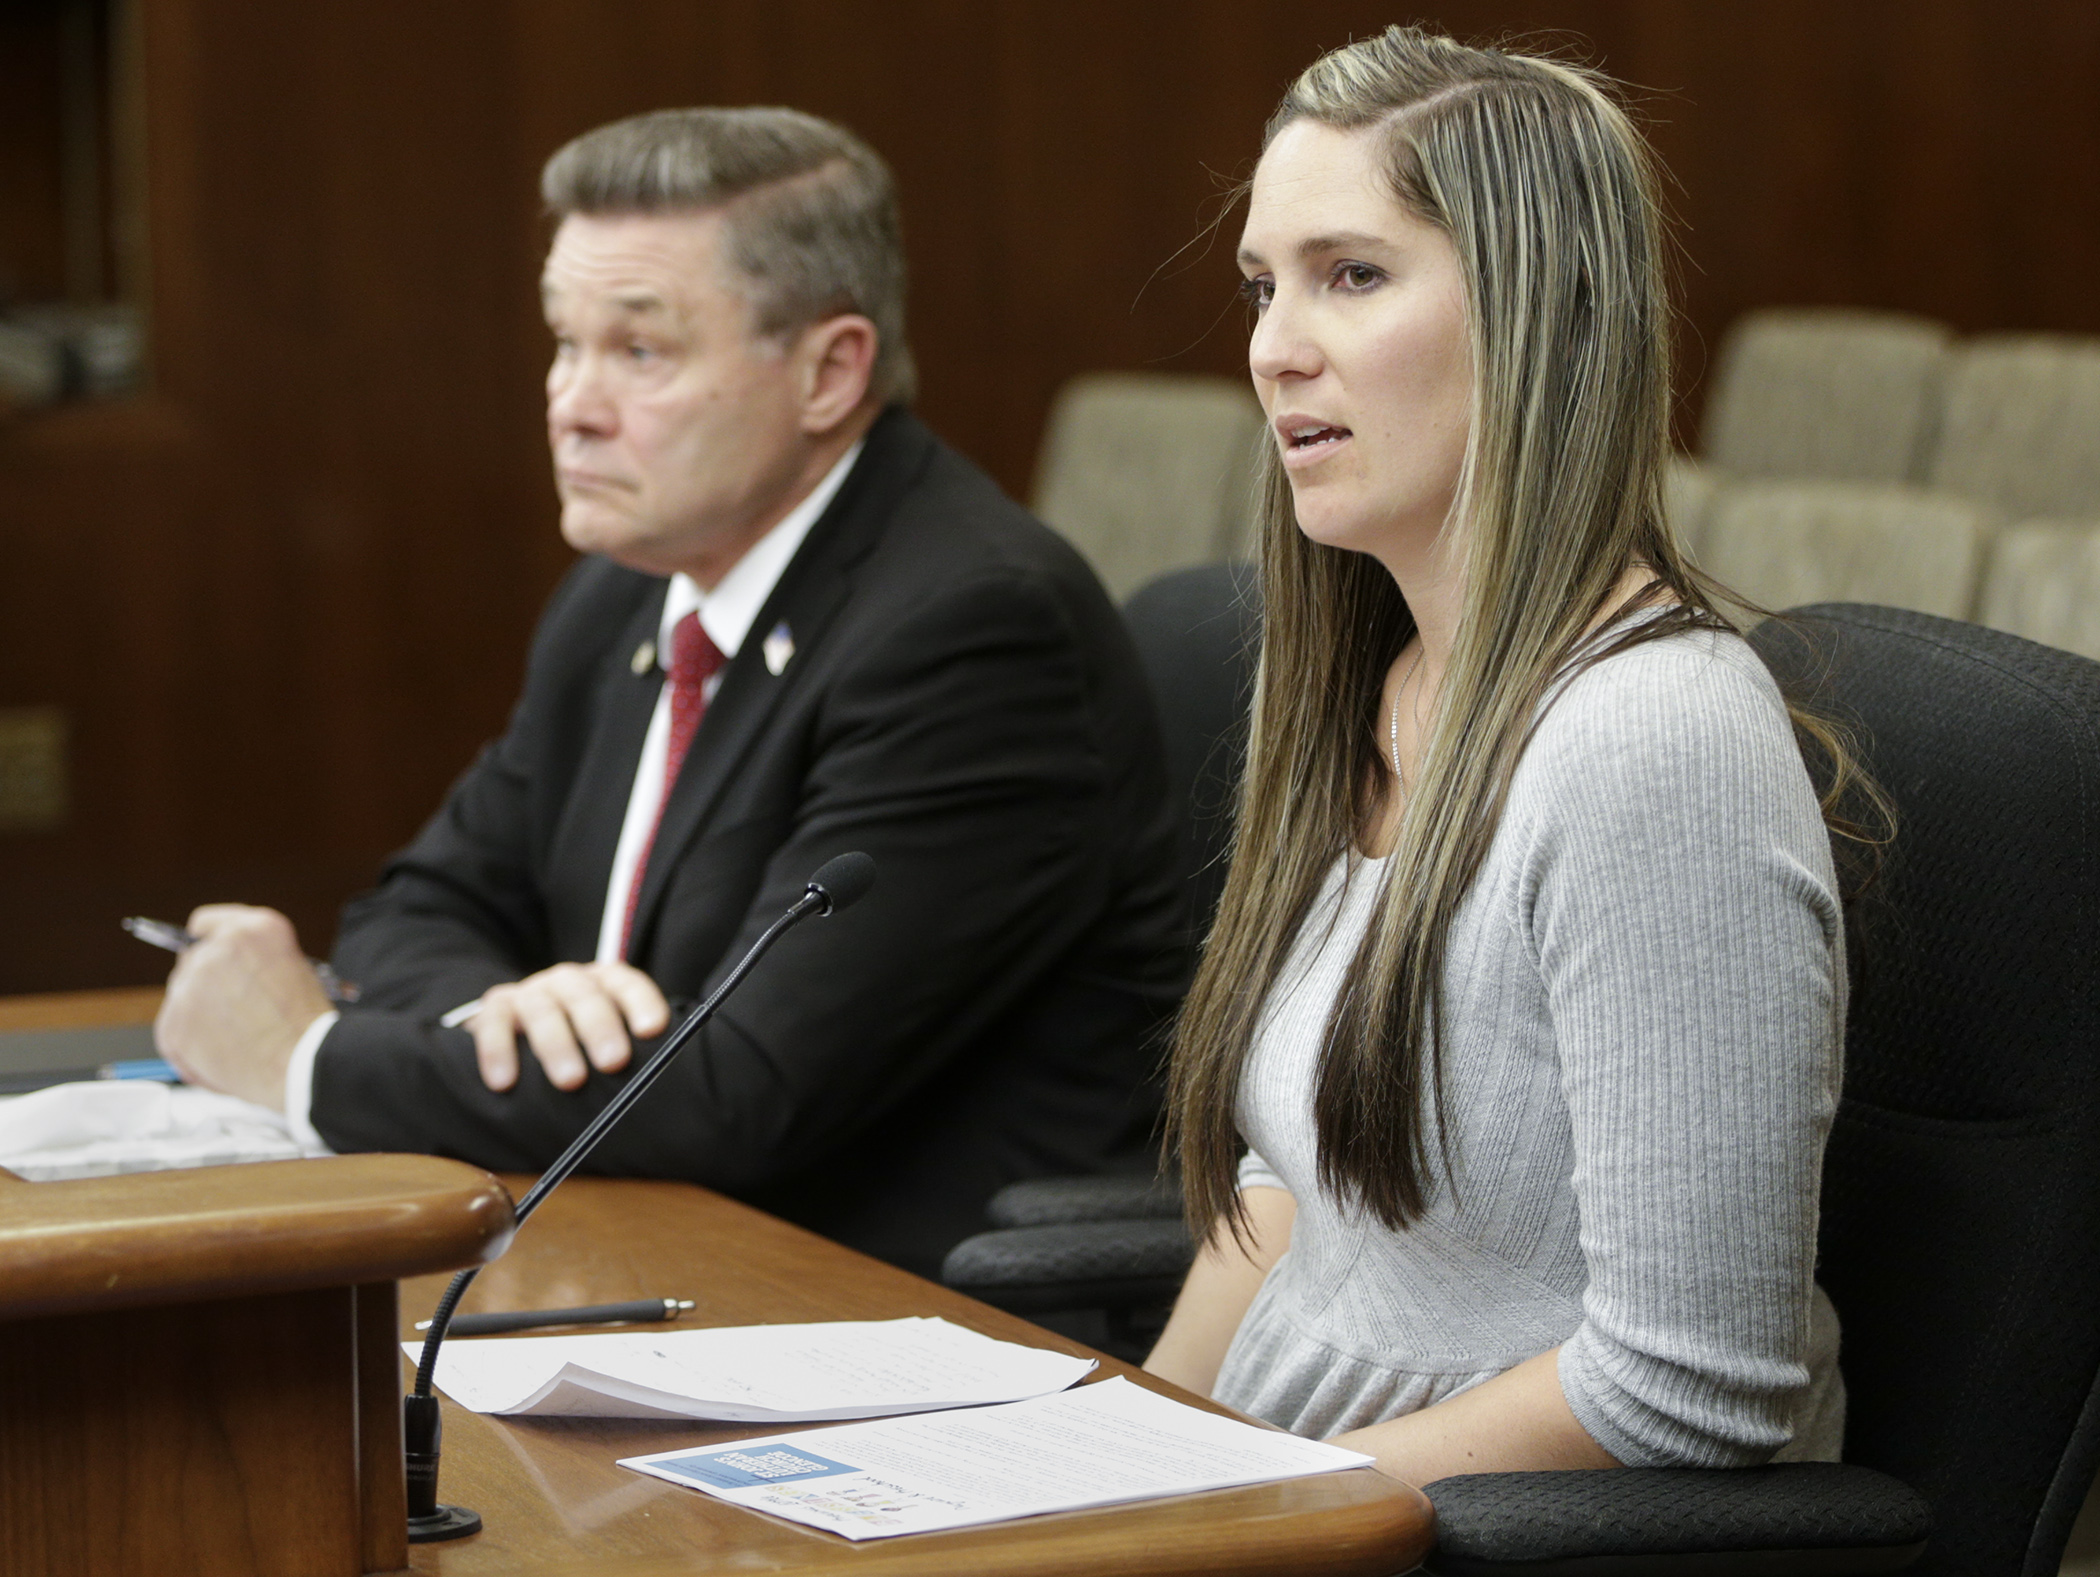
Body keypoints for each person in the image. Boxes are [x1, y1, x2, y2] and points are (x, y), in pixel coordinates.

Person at [153, 107, 1186, 1278]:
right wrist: (515, 1009)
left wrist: (307, 1060)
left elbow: (738, 1088)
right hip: (636, 1250)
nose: (573, 403)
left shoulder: (973, 628)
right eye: (564, 341)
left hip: (888, 1312)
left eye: (640, 352)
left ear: (829, 370)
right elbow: (420, 904)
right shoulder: (625, 594)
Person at [1142, 27, 1874, 1484]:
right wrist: (1111, 1460)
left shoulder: (1653, 744)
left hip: (1464, 1530)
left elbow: (1687, 1391)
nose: (1273, 345)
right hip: (1285, 1496)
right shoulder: (1354, 674)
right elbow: (1295, 1193)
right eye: (1262, 284)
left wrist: (1250, 1513)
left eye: (1352, 275)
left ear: (1547, 314)